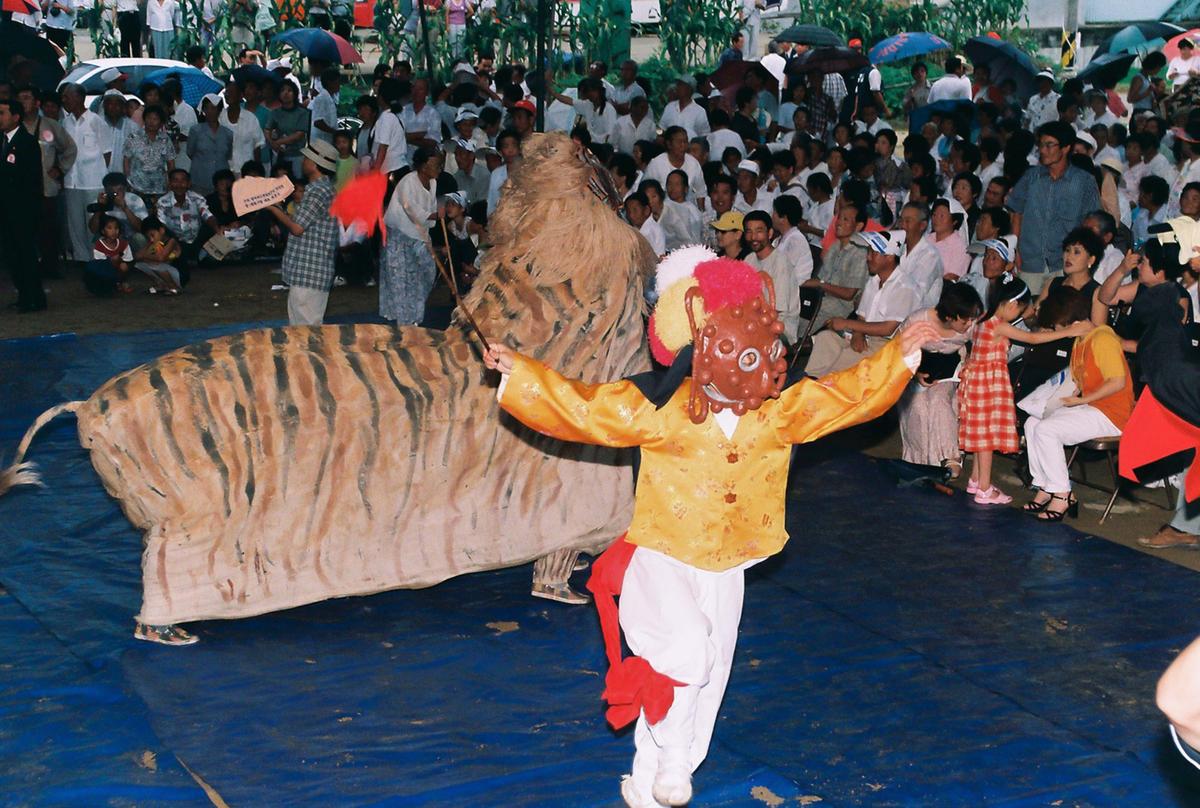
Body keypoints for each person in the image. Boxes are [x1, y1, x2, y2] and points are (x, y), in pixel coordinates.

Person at [483, 251, 939, 808]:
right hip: (663, 555)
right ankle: (674, 760)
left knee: (709, 674)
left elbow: (847, 397)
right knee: (684, 652)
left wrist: (901, 351)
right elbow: (582, 409)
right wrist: (520, 373)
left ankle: (652, 776)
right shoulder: (659, 408)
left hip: (728, 565)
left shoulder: (776, 414)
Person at [1022, 286, 1133, 520]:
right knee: (1032, 423)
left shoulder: (1102, 339)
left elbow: (1117, 382)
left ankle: (1062, 494)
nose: (1056, 331)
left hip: (1112, 414)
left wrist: (1081, 400)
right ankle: (1046, 486)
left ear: (1071, 323)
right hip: (1093, 407)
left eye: (1057, 326)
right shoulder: (1081, 341)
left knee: (1047, 429)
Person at [805, 230, 923, 377]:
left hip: (888, 346)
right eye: (869, 252)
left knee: (840, 361)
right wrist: (858, 333)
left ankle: (819, 383)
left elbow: (887, 329)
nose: (868, 257)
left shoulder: (905, 287)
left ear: (889, 257)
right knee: (826, 339)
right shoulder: (874, 280)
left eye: (873, 253)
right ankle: (811, 380)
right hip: (867, 338)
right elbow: (862, 316)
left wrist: (847, 323)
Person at [898, 283, 983, 476]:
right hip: (914, 371)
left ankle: (950, 456)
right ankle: (919, 460)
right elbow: (897, 350)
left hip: (949, 372)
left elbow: (981, 345)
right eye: (965, 320)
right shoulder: (918, 320)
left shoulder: (970, 327)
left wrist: (970, 359)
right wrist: (914, 373)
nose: (969, 324)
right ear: (949, 317)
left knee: (938, 400)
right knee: (918, 404)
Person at [1007, 121, 1101, 294]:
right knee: (1026, 306)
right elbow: (1016, 213)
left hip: (1064, 263)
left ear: (1065, 148)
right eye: (1041, 145)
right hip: (1030, 261)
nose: (1043, 150)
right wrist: (1015, 250)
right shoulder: (1031, 177)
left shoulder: (1084, 181)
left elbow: (1091, 222)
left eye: (1049, 145)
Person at [265, 140, 340, 324]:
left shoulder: (317, 191)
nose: (303, 161)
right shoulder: (323, 189)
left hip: (310, 271)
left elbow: (297, 228)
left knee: (306, 330)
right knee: (303, 327)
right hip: (311, 271)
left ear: (314, 164)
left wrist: (273, 208)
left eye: (306, 158)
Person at [17, 86, 76, 280]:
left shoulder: (50, 125)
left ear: (37, 103)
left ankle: (50, 267)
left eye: (27, 98)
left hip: (46, 187)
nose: (23, 102)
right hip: (20, 189)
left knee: (48, 230)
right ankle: (27, 267)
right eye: (20, 98)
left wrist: (60, 169)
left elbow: (70, 148)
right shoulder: (12, 125)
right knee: (23, 231)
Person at [381, 146, 441, 325]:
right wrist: (436, 215)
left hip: (419, 236)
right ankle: (405, 324)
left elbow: (430, 210)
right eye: (435, 165)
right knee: (401, 281)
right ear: (423, 167)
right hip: (399, 237)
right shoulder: (408, 182)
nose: (439, 169)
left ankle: (415, 316)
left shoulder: (433, 183)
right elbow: (411, 210)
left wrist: (436, 215)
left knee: (426, 274)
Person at [0, 98, 46, 312]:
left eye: (2, 113)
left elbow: (31, 180)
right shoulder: (3, 140)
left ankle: (34, 297)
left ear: (16, 117)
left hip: (22, 210)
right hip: (5, 210)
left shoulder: (26, 142)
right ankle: (23, 294)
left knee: (25, 254)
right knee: (11, 254)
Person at [61, 84, 109, 265]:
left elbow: (107, 152)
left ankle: (97, 260)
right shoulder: (65, 123)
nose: (64, 100)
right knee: (75, 224)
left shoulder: (96, 121)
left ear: (79, 98)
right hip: (71, 181)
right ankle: (81, 261)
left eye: (67, 97)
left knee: (93, 224)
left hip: (93, 181)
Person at [806, 201, 869, 325]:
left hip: (840, 308)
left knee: (802, 318)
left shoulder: (860, 252)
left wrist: (820, 284)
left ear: (858, 226)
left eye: (845, 219)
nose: (839, 222)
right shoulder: (836, 245)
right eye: (839, 218)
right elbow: (821, 277)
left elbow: (849, 294)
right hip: (822, 299)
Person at [155, 169, 221, 265]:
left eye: (183, 181)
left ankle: (199, 257)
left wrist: (217, 229)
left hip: (196, 240)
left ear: (189, 184)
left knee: (211, 226)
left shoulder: (197, 198)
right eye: (175, 180)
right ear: (170, 184)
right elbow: (161, 224)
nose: (179, 185)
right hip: (176, 242)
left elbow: (207, 215)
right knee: (163, 233)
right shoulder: (162, 202)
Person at [123, 104, 175, 206]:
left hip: (159, 188)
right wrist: (128, 180)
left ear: (161, 122)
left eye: (155, 119)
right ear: (144, 119)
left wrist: (171, 183)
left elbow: (171, 162)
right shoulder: (133, 137)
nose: (151, 122)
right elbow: (126, 160)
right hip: (137, 187)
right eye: (149, 118)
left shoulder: (165, 139)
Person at [645, 126, 707, 206]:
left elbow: (700, 192)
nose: (683, 145)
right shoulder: (656, 164)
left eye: (685, 141)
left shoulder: (693, 163)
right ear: (669, 144)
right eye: (679, 142)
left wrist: (701, 211)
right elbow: (645, 190)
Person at [187, 94, 233, 195]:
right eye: (207, 108)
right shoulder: (195, 130)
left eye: (213, 108)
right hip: (200, 179)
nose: (210, 112)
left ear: (219, 110)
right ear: (203, 110)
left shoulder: (228, 133)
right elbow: (190, 152)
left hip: (221, 180)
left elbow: (228, 155)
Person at [220, 80, 265, 178]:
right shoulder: (220, 118)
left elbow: (257, 146)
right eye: (226, 92)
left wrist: (257, 173)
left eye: (232, 92)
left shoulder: (250, 119)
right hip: (226, 172)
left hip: (247, 172)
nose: (228, 95)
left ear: (240, 96)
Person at [265, 82, 310, 178]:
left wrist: (279, 142)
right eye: (282, 91)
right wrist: (272, 143)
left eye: (289, 90)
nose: (286, 93)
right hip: (280, 155)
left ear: (295, 94)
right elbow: (267, 129)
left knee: (297, 182)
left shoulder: (302, 113)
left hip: (297, 155)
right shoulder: (275, 112)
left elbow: (299, 134)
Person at [771, 194, 813, 287]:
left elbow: (784, 268)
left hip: (795, 288)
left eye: (774, 212)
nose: (772, 216)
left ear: (783, 218)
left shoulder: (796, 240)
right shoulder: (779, 239)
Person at [926, 198, 970, 281]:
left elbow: (951, 277)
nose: (936, 219)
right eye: (934, 215)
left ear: (954, 221)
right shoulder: (926, 239)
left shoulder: (960, 248)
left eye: (942, 216)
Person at [92, 214, 134, 293]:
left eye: (116, 228)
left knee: (124, 266)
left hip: (118, 270)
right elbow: (100, 264)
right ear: (103, 231)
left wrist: (118, 259)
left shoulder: (123, 244)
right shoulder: (99, 245)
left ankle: (121, 282)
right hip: (104, 271)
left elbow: (128, 261)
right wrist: (112, 261)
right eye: (109, 228)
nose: (114, 231)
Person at [659, 76, 709, 141]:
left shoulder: (699, 111)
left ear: (689, 89)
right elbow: (662, 128)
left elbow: (704, 135)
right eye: (677, 85)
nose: (677, 87)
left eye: (680, 85)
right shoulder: (669, 107)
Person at [625, 191, 665, 258]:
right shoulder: (637, 229)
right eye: (628, 212)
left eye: (635, 210)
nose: (631, 215)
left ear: (646, 210)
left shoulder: (651, 231)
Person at [309, 67, 341, 146]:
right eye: (337, 82)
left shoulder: (329, 98)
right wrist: (334, 132)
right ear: (330, 83)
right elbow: (318, 122)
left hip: (326, 141)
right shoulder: (322, 98)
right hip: (321, 141)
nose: (339, 85)